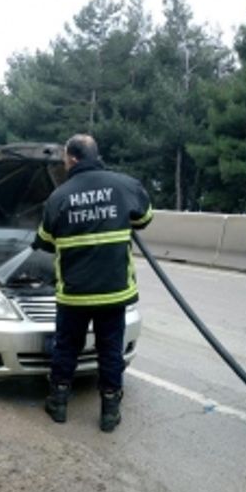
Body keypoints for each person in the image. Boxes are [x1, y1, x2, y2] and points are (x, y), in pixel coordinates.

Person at [32, 134, 153, 432]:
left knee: (66, 348)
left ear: (72, 158)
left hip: (74, 295)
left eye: (64, 159)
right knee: (110, 350)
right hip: (114, 292)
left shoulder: (59, 197)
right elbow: (144, 218)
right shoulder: (124, 185)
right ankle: (110, 412)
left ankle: (58, 404)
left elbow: (45, 243)